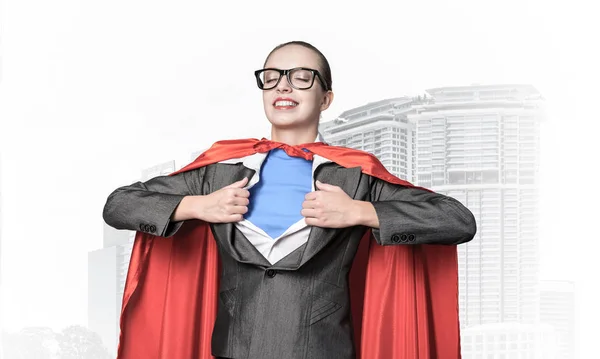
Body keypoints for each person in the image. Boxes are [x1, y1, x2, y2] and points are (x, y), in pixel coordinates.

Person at [102, 41, 477, 359]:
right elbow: (119, 205)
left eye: (301, 78)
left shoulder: (355, 175)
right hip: (233, 350)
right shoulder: (219, 170)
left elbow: (456, 220)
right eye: (272, 78)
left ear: (325, 98)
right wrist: (197, 206)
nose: (283, 87)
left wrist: (359, 212)